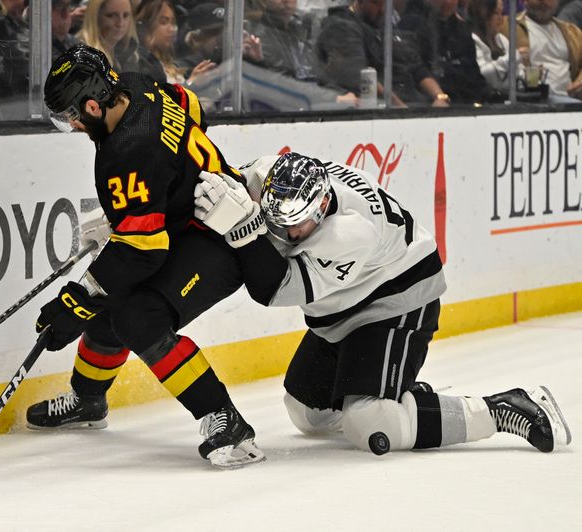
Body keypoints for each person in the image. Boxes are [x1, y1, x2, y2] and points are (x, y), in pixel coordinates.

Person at [191, 152, 572, 454]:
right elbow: (237, 185)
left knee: (371, 424)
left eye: (300, 225)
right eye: (281, 222)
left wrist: (244, 232)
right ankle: (402, 397)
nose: (289, 233)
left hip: (396, 301)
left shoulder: (349, 233)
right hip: (344, 309)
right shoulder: (276, 174)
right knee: (308, 413)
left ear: (322, 205)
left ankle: (504, 408)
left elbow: (273, 289)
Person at [27, 44, 265, 469]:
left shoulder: (127, 152)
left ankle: (225, 420)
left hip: (221, 239)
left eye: (73, 117)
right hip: (194, 218)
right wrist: (154, 201)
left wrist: (74, 301)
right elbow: (191, 105)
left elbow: (142, 253)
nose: (76, 127)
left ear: (94, 106)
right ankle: (89, 400)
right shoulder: (137, 85)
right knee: (109, 293)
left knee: (138, 315)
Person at [316, 0, 448, 106]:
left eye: (386, 3)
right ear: (361, 2)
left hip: (416, 104)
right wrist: (401, 109)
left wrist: (440, 97)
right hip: (383, 110)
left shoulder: (386, 28)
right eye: (376, 3)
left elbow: (416, 66)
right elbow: (359, 75)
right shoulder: (342, 27)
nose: (383, 9)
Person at [501, 0, 582, 101]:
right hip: (529, 99)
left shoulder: (572, 32)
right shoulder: (506, 26)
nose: (543, 2)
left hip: (570, 100)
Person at [134, 0, 215, 84]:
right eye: (164, 22)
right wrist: (192, 83)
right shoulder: (139, 63)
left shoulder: (168, 64)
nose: (172, 29)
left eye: (172, 23)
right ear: (145, 27)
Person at [467, 0, 519, 95]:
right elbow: (482, 74)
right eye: (496, 13)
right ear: (482, 14)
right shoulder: (472, 40)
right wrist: (511, 59)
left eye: (502, 13)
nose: (501, 19)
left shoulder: (501, 39)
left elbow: (518, 71)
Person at [76, 0, 139, 72]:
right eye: (111, 16)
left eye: (125, 15)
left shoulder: (131, 54)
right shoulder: (83, 55)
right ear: (95, 17)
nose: (120, 23)